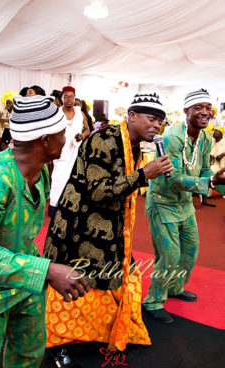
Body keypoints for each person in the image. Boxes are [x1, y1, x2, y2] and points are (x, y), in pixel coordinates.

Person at [0, 95, 89, 367]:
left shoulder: (42, 171)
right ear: (45, 141)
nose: (67, 138)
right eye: (62, 133)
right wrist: (46, 271)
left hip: (23, 283)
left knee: (29, 355)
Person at [42, 93, 173, 364]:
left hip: (111, 224)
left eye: (160, 122)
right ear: (132, 115)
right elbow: (98, 192)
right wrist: (143, 175)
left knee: (111, 276)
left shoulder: (133, 143)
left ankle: (102, 331)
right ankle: (58, 341)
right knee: (78, 280)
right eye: (151, 119)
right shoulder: (104, 140)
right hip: (81, 224)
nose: (156, 127)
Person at [142, 89, 225, 324]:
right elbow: (172, 177)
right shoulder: (172, 137)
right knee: (169, 255)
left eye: (208, 108)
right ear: (186, 112)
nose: (205, 112)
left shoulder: (204, 138)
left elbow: (204, 170)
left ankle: (174, 287)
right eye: (198, 108)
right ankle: (153, 300)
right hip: (162, 203)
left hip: (184, 203)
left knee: (190, 252)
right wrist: (211, 182)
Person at [48, 86, 90, 217]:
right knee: (57, 178)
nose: (68, 99)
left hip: (75, 149)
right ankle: (54, 206)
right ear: (62, 99)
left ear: (74, 98)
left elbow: (87, 129)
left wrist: (82, 136)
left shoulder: (80, 113)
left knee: (74, 178)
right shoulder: (57, 112)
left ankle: (71, 205)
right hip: (59, 150)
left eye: (71, 96)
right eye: (65, 96)